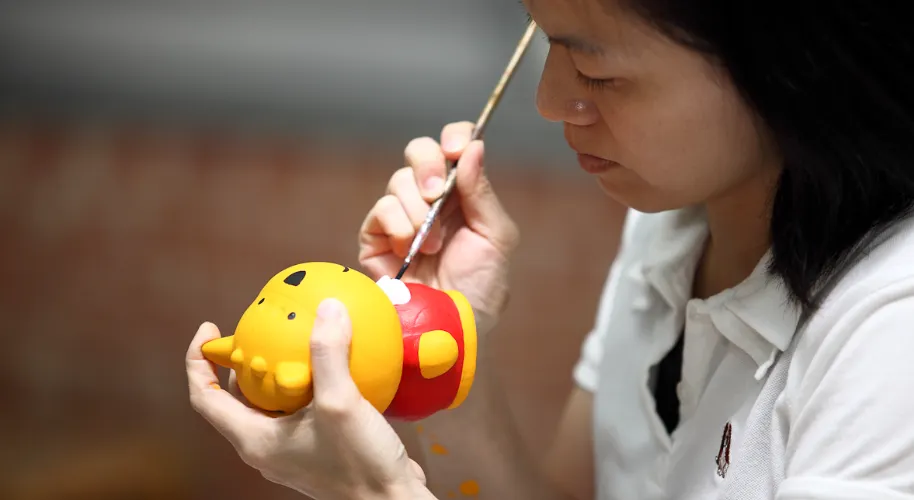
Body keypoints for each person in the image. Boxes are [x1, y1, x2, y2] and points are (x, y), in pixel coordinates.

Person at [185, 0, 914, 498]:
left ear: (792, 67)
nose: (548, 100)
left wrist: (380, 491)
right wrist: (439, 347)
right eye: (542, 37)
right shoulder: (671, 231)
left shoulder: (890, 330)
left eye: (597, 71)